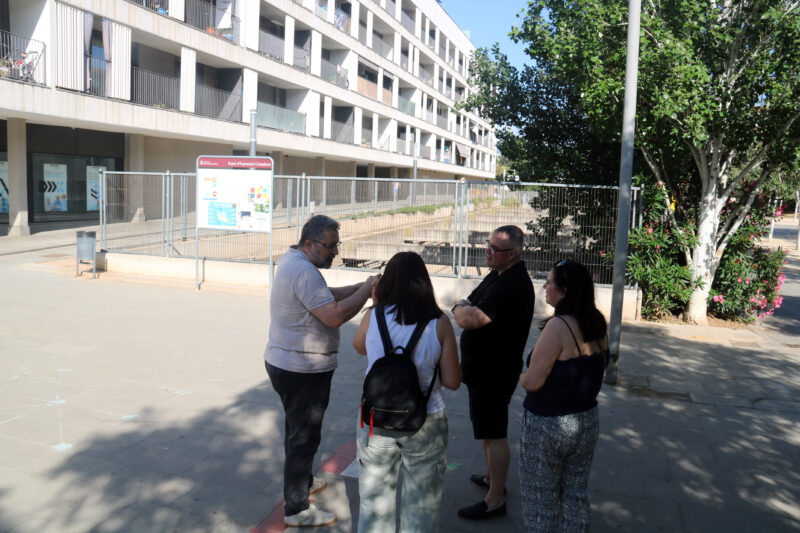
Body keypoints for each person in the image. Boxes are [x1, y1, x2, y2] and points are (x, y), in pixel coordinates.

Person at [265, 215, 380, 528]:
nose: (334, 253)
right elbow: (332, 316)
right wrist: (367, 290)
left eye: (336, 246)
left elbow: (323, 295)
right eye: (330, 247)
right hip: (301, 369)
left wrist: (358, 285)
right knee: (303, 439)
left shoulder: (296, 262)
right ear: (309, 244)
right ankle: (298, 508)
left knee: (297, 432)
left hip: (288, 363)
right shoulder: (303, 270)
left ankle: (301, 481)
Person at [353, 251, 461, 533]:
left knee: (374, 502)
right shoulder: (440, 323)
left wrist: (377, 306)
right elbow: (452, 381)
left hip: (376, 419)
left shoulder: (372, 316)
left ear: (386, 282)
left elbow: (360, 347)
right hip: (426, 419)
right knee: (422, 505)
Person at [519, 259, 609, 532]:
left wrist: (520, 375)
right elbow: (602, 365)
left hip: (548, 425)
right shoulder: (597, 323)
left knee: (540, 498)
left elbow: (533, 382)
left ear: (564, 291)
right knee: (575, 493)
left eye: (549, 282)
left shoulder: (558, 327)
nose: (545, 286)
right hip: (586, 421)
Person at [452, 225, 534, 520]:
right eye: (488, 245)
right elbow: (465, 305)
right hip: (481, 370)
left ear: (512, 254)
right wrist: (462, 308)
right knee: (486, 430)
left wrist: (461, 309)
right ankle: (491, 477)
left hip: (495, 372)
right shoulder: (497, 275)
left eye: (494, 249)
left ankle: (495, 500)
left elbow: (469, 317)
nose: (487, 252)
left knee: (495, 432)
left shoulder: (513, 283)